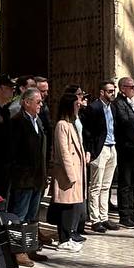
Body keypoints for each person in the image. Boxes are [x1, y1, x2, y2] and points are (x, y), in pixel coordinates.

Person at [8, 87, 48, 266]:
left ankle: (31, 247)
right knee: (20, 216)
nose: (41, 105)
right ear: (26, 102)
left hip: (37, 178)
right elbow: (13, 153)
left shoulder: (37, 121)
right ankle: (18, 251)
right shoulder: (17, 122)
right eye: (37, 102)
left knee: (33, 216)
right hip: (24, 179)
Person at [49, 87, 88, 251]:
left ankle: (69, 235)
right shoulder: (62, 125)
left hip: (77, 171)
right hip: (67, 173)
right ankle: (63, 239)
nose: (79, 105)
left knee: (72, 206)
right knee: (66, 206)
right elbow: (64, 152)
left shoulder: (71, 124)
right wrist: (72, 175)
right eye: (76, 103)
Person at [82, 79, 119, 233]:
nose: (113, 93)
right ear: (102, 92)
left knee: (106, 186)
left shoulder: (113, 107)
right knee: (96, 186)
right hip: (100, 149)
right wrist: (90, 150)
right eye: (110, 91)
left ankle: (104, 217)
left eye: (113, 90)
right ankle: (95, 219)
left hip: (112, 147)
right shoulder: (93, 108)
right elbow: (88, 132)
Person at [111, 76, 134, 227]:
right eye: (132, 87)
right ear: (123, 88)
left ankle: (132, 213)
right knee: (125, 183)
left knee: (133, 183)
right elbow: (126, 125)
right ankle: (124, 215)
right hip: (126, 148)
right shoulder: (119, 104)